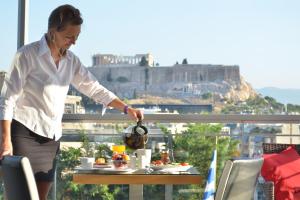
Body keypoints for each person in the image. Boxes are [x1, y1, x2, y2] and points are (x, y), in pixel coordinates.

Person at [0, 4, 143, 200]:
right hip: (24, 134)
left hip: (51, 138)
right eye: (69, 37)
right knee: (20, 196)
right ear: (53, 32)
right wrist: (6, 141)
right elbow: (8, 98)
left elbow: (94, 88)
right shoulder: (27, 55)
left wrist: (126, 108)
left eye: (76, 37)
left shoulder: (71, 61)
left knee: (39, 198)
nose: (74, 42)